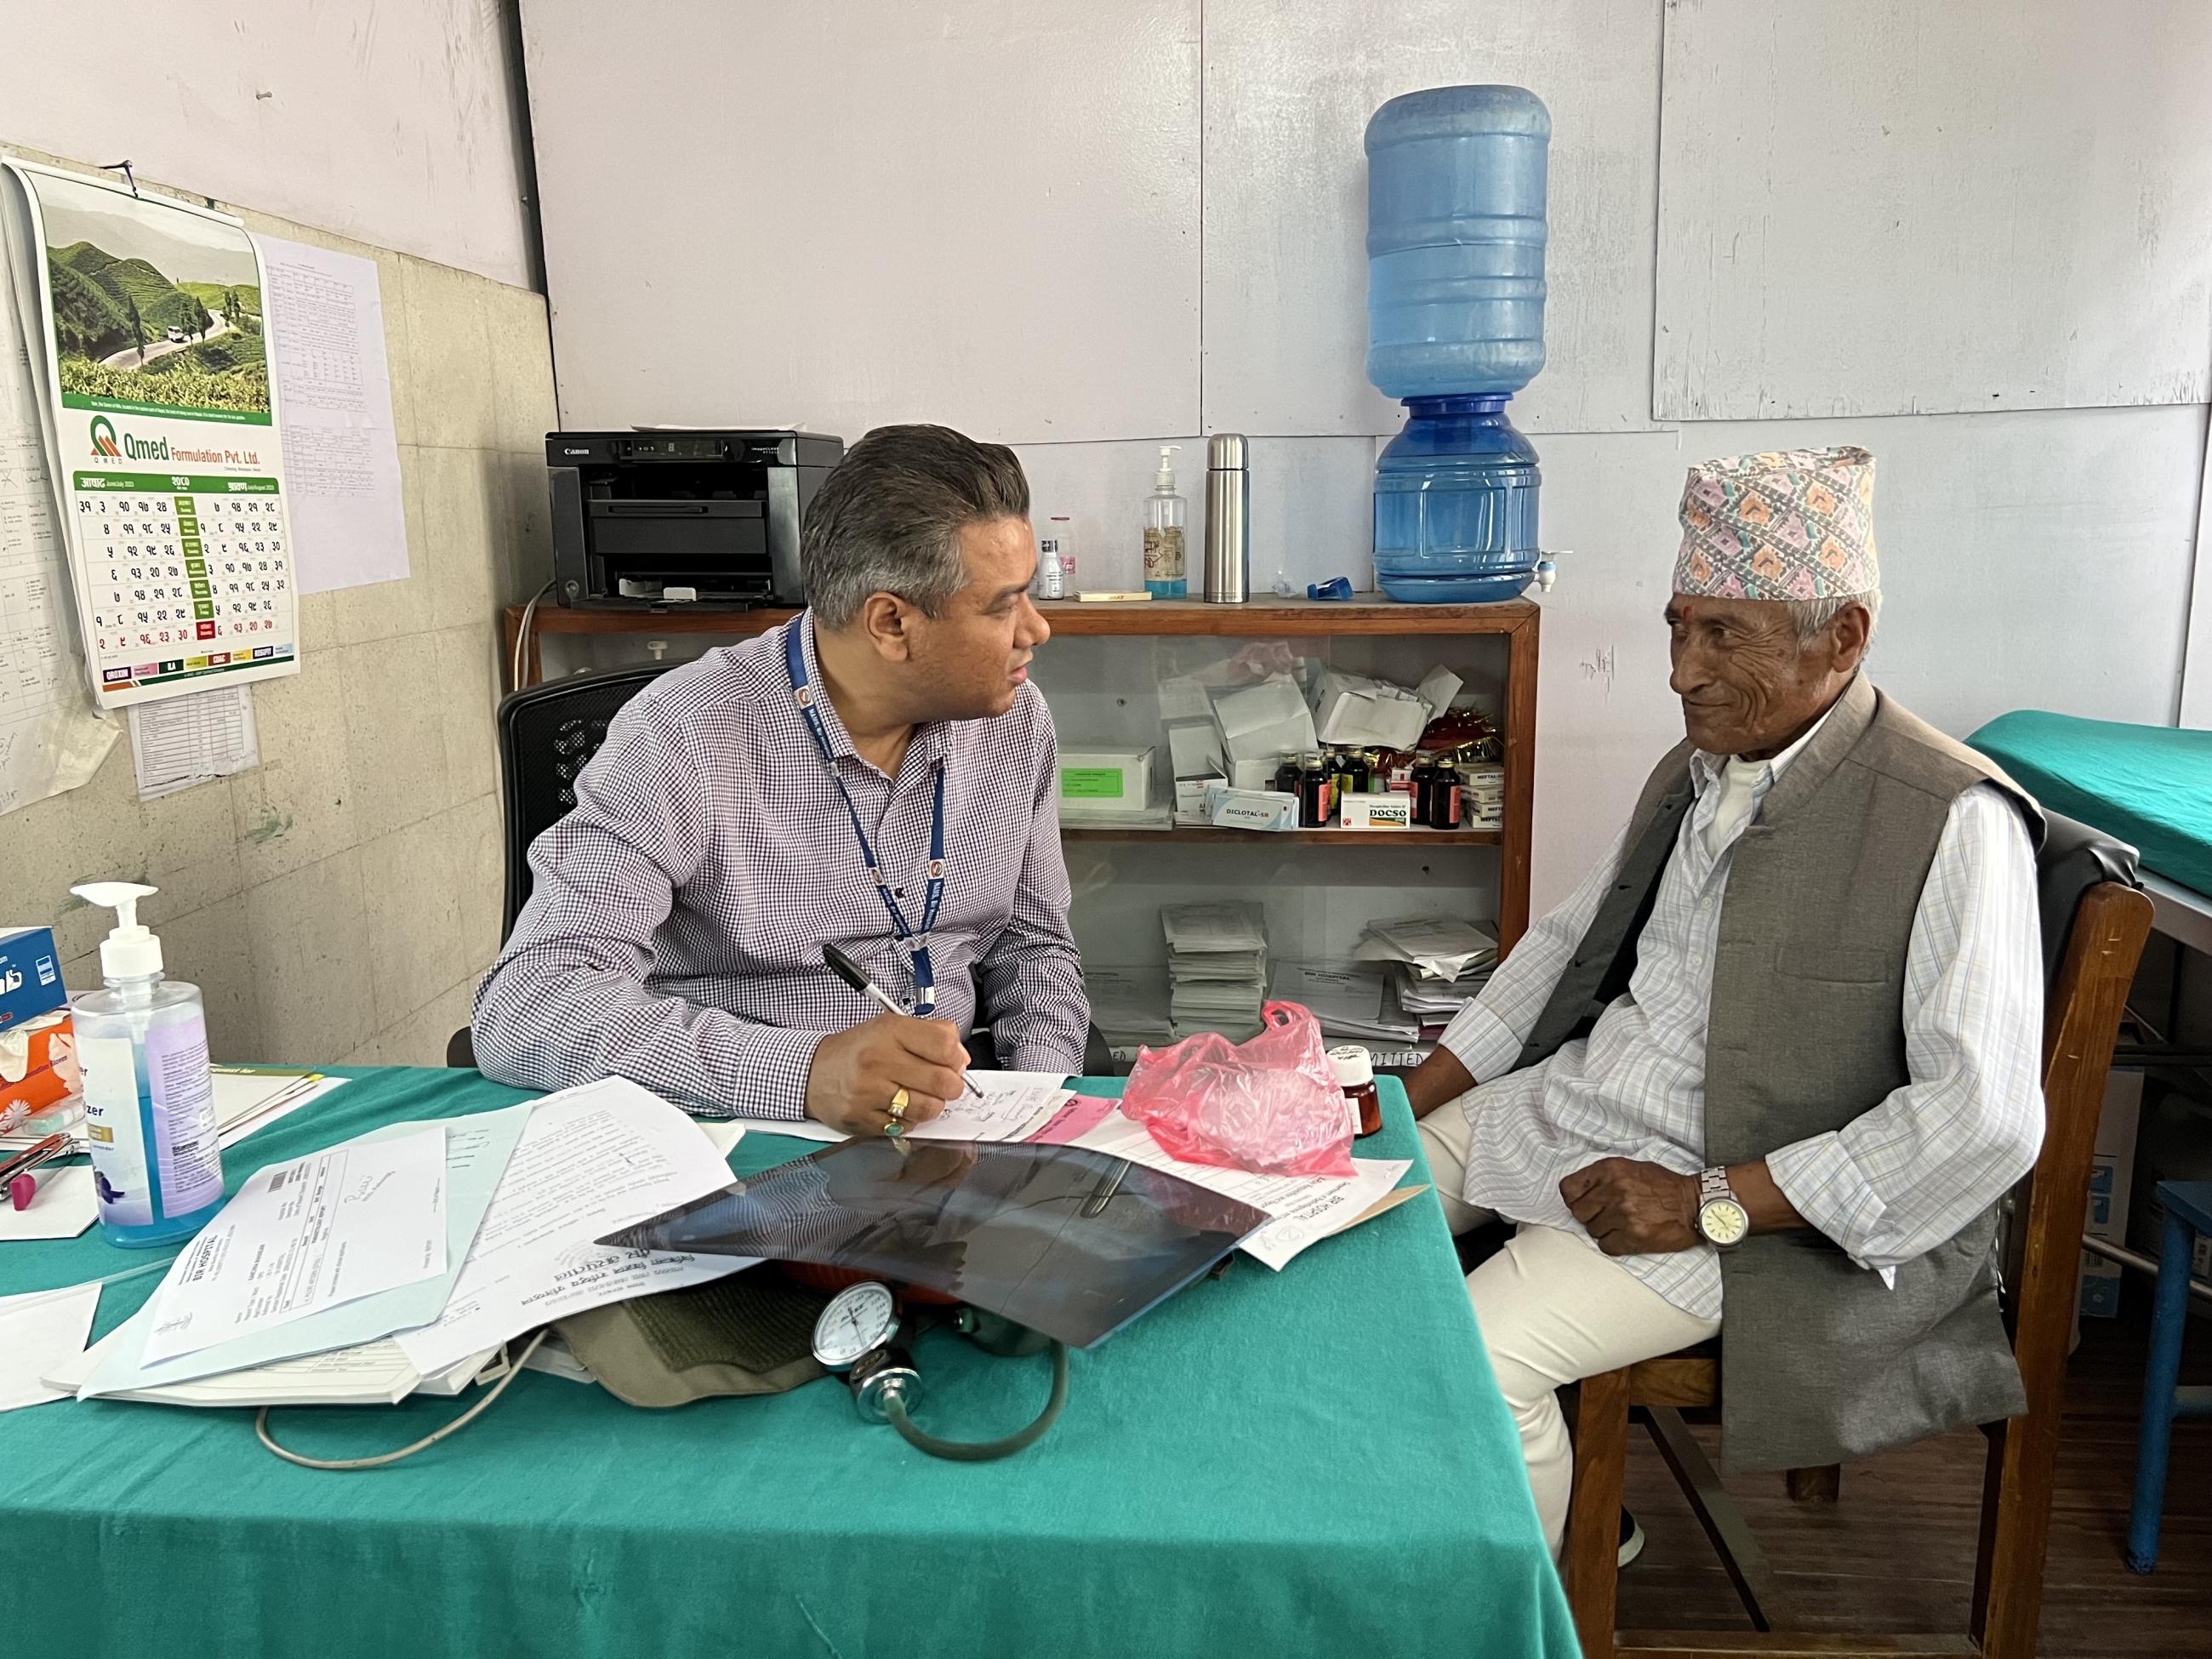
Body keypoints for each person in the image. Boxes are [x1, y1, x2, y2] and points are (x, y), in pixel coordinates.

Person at [1404, 446, 2045, 1563]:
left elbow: (1982, 1119)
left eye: (1720, 634)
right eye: (1676, 626)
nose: (1679, 671)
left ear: (1841, 637)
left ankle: (1529, 1595)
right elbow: (1565, 948)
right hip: (1581, 1110)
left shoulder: (1951, 819)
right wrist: (1409, 1104)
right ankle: (1462, 1510)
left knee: (1474, 1358)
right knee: (1360, 1204)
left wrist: (1712, 1201)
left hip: (1755, 1208)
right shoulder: (1699, 770)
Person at [473, 424, 1091, 1134]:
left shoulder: (1015, 724)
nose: (1036, 630)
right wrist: (801, 1074)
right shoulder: (687, 735)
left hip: (957, 1121)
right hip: (738, 1130)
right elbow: (528, 1001)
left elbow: (1035, 947)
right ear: (890, 622)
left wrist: (1034, 1107)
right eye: (1002, 606)